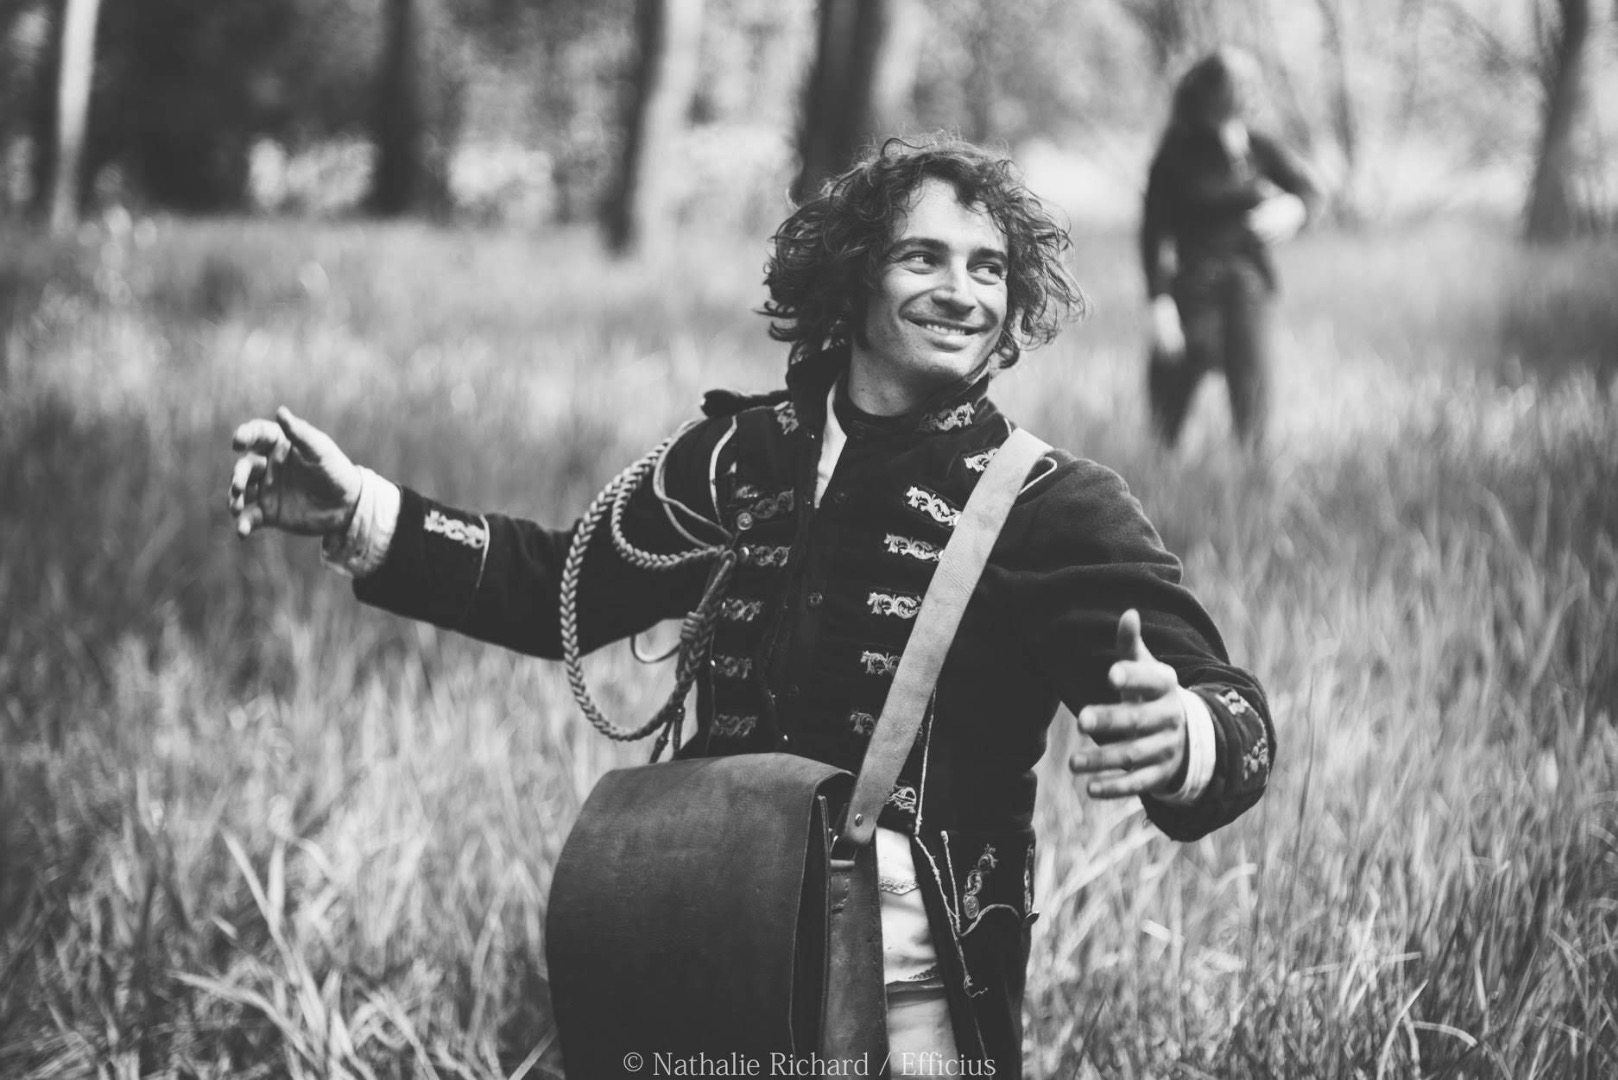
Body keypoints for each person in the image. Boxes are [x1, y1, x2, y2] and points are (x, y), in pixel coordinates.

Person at [228, 136, 1275, 1078]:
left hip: (916, 991)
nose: (962, 292)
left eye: (988, 268)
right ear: (853, 276)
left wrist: (1184, 734)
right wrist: (361, 512)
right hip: (707, 941)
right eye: (924, 258)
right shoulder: (738, 456)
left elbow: (1232, 708)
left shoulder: (1055, 504)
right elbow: (555, 587)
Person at [1141, 47, 1321, 451]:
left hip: (1249, 286)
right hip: (1193, 290)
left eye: (1253, 86)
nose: (1251, 94)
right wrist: (1159, 305)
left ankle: (1250, 472)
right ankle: (1164, 472)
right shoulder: (1176, 153)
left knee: (1253, 407)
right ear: (1212, 92)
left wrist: (1293, 210)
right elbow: (1153, 234)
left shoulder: (1256, 146)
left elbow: (1311, 192)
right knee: (1168, 403)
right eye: (1241, 86)